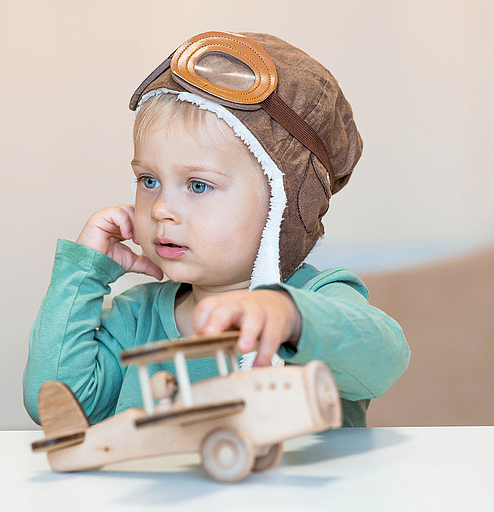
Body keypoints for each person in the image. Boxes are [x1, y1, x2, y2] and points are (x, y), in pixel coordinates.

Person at [23, 31, 410, 427]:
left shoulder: (319, 298)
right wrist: (84, 273)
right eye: (149, 180)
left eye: (198, 185)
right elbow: (54, 405)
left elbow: (384, 360)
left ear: (283, 207)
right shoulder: (137, 317)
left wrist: (291, 318)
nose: (161, 209)